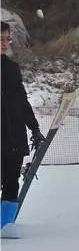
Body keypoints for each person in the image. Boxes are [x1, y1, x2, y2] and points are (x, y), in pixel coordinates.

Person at [1, 21, 45, 236]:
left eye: (6, 39)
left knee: (11, 179)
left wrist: (34, 128)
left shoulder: (11, 68)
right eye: (0, 39)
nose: (4, 43)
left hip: (14, 136)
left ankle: (5, 225)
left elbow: (22, 101)